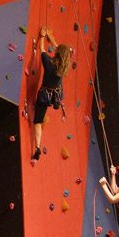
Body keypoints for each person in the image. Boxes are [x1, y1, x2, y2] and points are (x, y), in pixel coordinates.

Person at [32, 29, 71, 160]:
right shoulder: (65, 65)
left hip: (45, 96)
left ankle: (37, 147)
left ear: (57, 53)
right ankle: (36, 150)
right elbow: (58, 49)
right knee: (41, 117)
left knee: (38, 121)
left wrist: (42, 36)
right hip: (55, 95)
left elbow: (42, 48)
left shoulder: (49, 63)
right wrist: (50, 36)